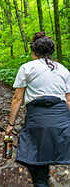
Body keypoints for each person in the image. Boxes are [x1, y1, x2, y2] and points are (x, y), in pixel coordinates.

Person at [5, 32, 70, 187]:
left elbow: (17, 99)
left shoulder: (27, 68)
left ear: (34, 51)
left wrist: (10, 124)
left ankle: (42, 181)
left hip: (37, 120)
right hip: (62, 119)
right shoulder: (63, 70)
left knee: (36, 161)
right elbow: (68, 100)